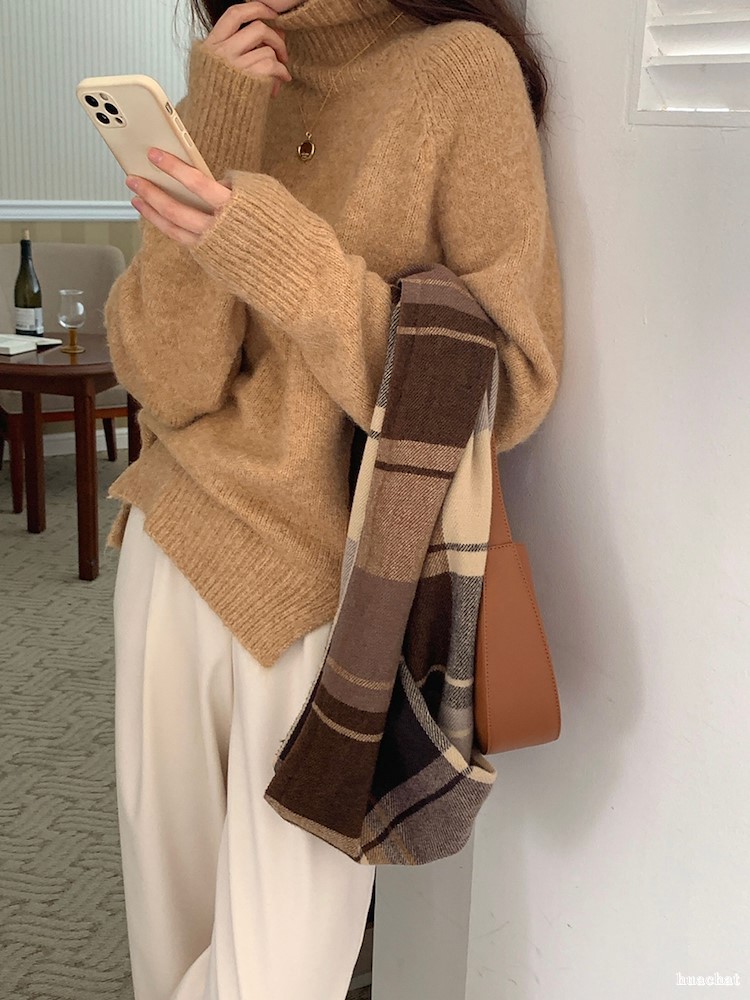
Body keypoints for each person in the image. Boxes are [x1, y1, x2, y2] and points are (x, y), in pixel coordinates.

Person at [105, 0, 565, 996]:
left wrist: (276, 251)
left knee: (274, 979)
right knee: (166, 956)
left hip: (329, 600)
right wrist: (215, 131)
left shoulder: (460, 72)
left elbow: (501, 384)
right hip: (169, 550)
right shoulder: (231, 85)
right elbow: (169, 382)